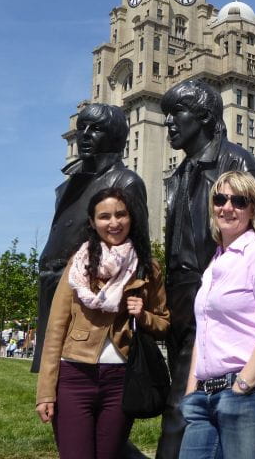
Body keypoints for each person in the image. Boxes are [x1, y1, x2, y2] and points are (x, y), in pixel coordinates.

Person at [156, 79, 255, 459]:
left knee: (180, 409)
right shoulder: (179, 174)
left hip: (215, 298)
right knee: (193, 404)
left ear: (203, 116)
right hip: (180, 302)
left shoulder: (236, 163)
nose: (169, 122)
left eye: (177, 113)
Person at [36, 187, 170, 459]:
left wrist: (142, 315)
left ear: (131, 218)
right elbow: (56, 328)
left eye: (121, 214)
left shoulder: (147, 266)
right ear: (92, 222)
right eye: (104, 216)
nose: (114, 222)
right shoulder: (78, 265)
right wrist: (46, 392)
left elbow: (163, 323)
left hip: (121, 380)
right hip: (74, 375)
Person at [179, 171, 255, 459]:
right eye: (220, 199)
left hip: (249, 395)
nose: (227, 207)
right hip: (203, 398)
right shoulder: (214, 265)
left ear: (253, 209)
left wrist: (241, 386)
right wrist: (192, 391)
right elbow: (204, 334)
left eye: (239, 201)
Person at [33, 103, 148, 372]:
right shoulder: (71, 183)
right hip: (55, 288)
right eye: (81, 127)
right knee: (53, 373)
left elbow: (141, 248)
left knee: (78, 373)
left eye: (95, 129)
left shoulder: (125, 182)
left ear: (115, 136)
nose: (84, 135)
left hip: (91, 300)